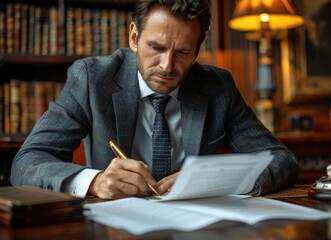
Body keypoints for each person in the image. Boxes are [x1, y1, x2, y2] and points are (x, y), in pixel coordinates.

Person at [10, 0, 298, 199]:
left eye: (183, 52)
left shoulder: (218, 86)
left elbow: (282, 160)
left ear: (199, 46)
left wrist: (216, 183)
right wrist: (95, 182)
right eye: (156, 47)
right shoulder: (91, 79)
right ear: (134, 37)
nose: (167, 66)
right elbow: (27, 163)